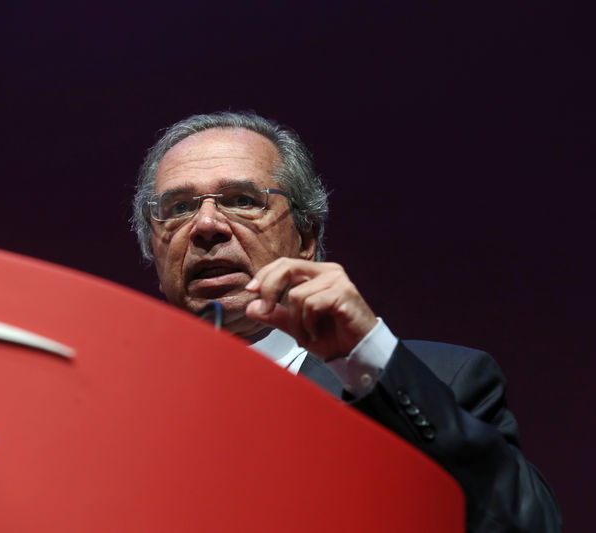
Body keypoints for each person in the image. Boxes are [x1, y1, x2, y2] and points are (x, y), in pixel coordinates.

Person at [131, 111, 562, 532]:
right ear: (153, 246)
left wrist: (366, 358)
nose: (206, 225)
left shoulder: (442, 380)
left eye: (243, 200)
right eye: (178, 207)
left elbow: (525, 523)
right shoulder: (114, 395)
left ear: (306, 238)